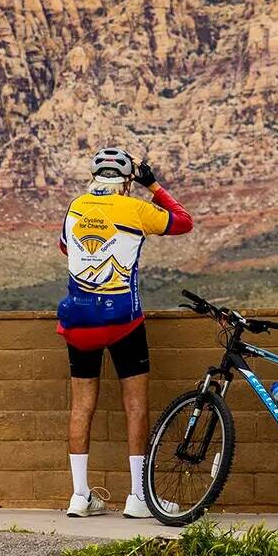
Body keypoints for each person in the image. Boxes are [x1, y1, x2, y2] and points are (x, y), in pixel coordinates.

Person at [57, 147, 193, 518]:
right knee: (135, 406)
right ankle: (138, 497)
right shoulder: (135, 208)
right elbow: (183, 221)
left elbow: (64, 248)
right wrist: (154, 186)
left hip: (78, 322)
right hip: (122, 321)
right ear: (127, 181)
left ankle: (79, 496)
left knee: (81, 404)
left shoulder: (75, 207)